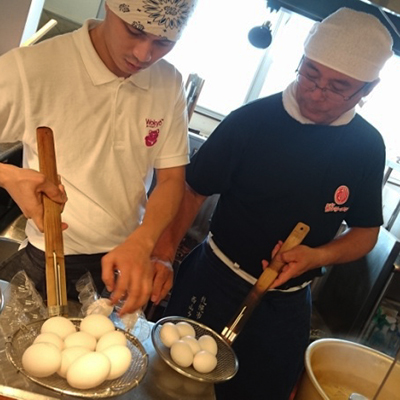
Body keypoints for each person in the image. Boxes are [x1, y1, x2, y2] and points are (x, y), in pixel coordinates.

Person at [152, 7, 394, 400]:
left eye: (337, 86)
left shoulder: (366, 147)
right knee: (172, 385)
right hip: (214, 278)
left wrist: (316, 257)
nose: (316, 91)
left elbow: (366, 232)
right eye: (310, 73)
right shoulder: (251, 121)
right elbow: (191, 190)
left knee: (265, 391)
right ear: (299, 61)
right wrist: (162, 254)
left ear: (367, 90)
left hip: (287, 303)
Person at [0, 0, 197, 315]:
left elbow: (172, 179)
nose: (144, 55)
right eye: (134, 31)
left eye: (163, 42)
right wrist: (8, 176)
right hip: (49, 257)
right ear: (110, 6)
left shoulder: (167, 82)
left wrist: (145, 241)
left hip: (125, 263)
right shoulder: (33, 68)